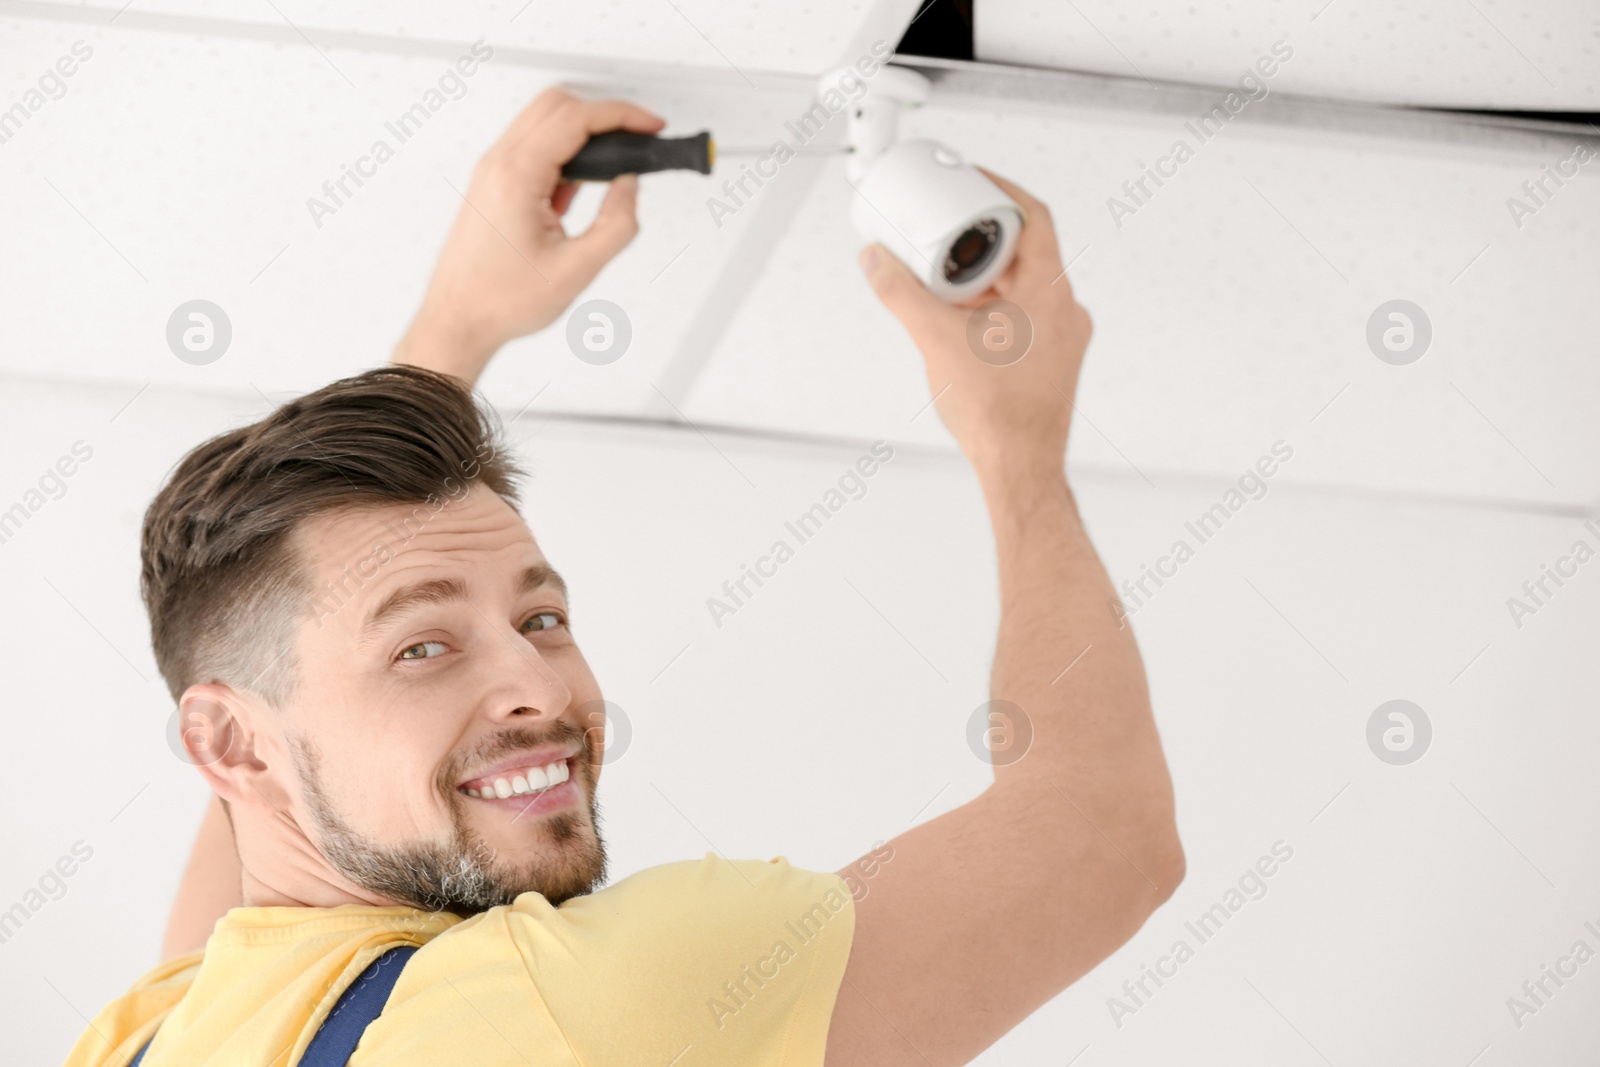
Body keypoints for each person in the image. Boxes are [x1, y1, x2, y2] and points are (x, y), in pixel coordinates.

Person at [63, 87, 1182, 1067]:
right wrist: (1020, 450)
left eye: (541, 616)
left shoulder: (148, 1035)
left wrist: (455, 328)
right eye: (423, 646)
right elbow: (1100, 835)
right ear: (231, 740)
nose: (541, 689)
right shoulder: (574, 1009)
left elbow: (278, 782)